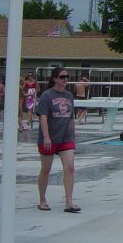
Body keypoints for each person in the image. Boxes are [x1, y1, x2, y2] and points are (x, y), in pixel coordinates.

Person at [36, 67, 80, 213]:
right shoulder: (46, 95)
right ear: (55, 79)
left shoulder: (69, 96)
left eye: (67, 77)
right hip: (50, 138)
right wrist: (46, 137)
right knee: (46, 170)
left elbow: (71, 117)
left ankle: (69, 202)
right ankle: (42, 199)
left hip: (65, 137)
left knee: (70, 168)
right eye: (62, 77)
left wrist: (73, 136)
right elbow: (43, 117)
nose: (65, 79)